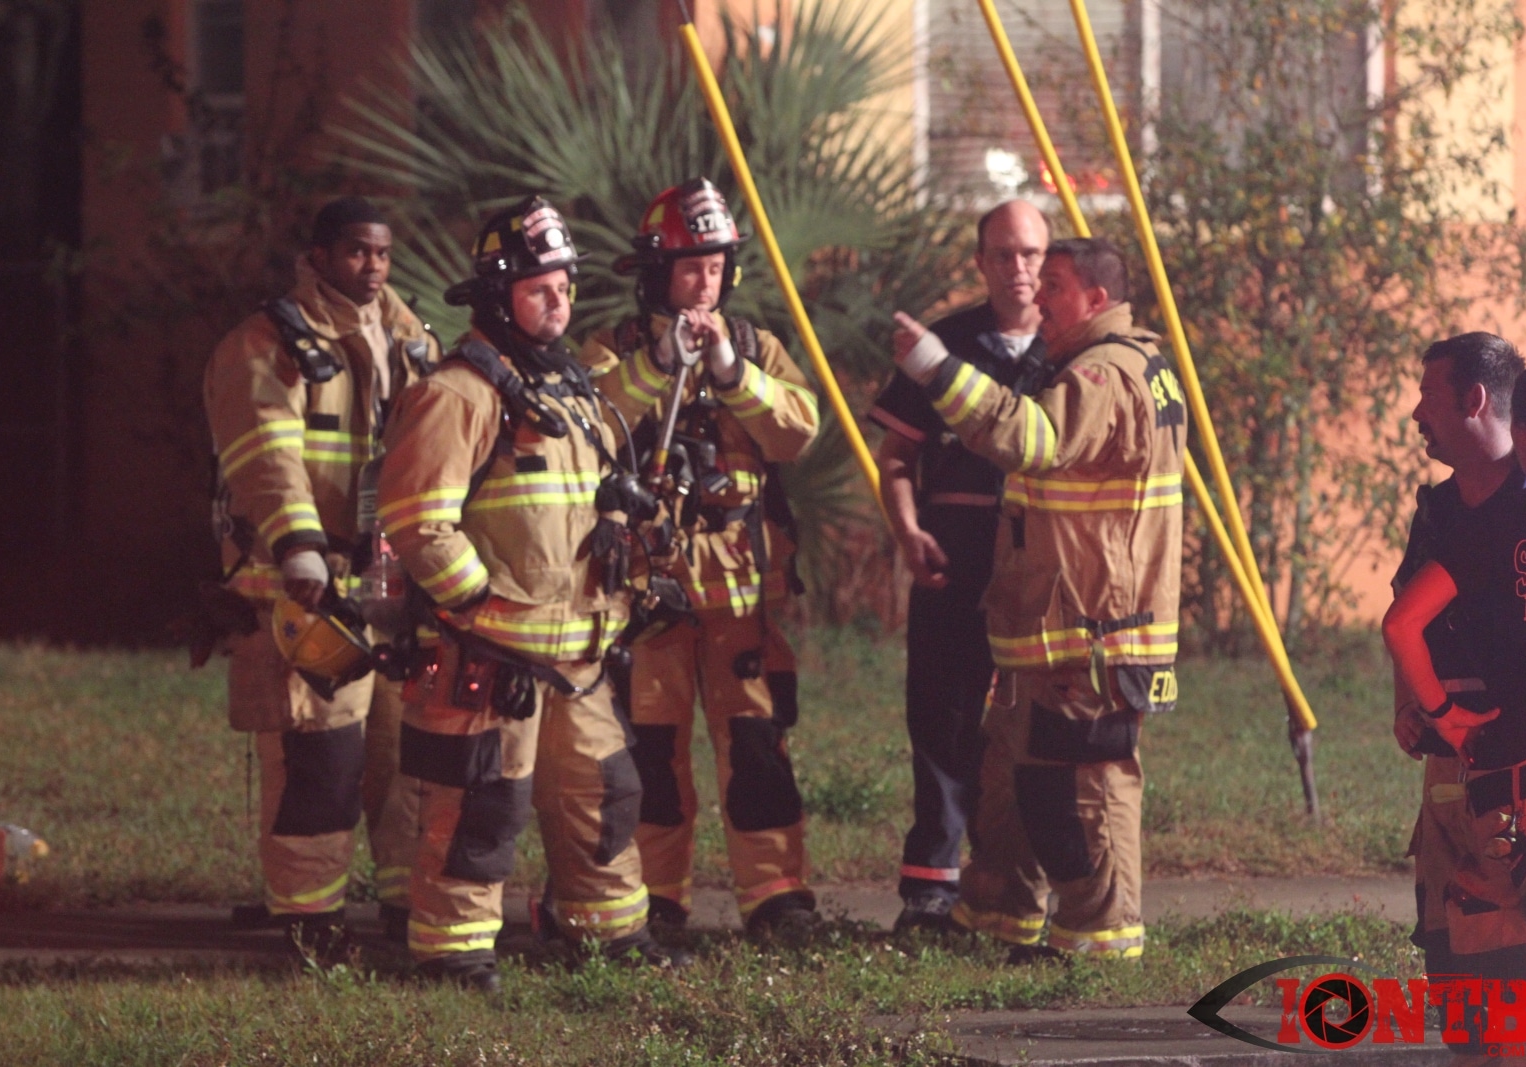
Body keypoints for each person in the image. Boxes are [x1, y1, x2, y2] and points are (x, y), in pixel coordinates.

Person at [376, 196, 686, 989]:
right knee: (478, 806)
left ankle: (609, 934)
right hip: (489, 661)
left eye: (566, 287)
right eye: (541, 288)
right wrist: (476, 610)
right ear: (497, 294)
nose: (560, 302)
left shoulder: (570, 390)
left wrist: (629, 527)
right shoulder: (458, 393)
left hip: (579, 655)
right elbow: (417, 522)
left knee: (603, 797)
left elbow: (599, 474)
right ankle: (452, 952)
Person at [890, 237, 1185, 962]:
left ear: (1097, 298)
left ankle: (1102, 937)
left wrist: (937, 369)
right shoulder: (1112, 364)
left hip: (1092, 631)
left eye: (1054, 284)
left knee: (1081, 788)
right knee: (1013, 775)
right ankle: (998, 914)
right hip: (1058, 624)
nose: (1039, 297)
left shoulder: (1103, 373)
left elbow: (1032, 438)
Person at [580, 177, 821, 940]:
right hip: (650, 595)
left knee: (757, 746)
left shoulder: (755, 348)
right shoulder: (616, 349)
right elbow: (592, 428)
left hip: (742, 599)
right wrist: (659, 363)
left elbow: (798, 430)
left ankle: (777, 894)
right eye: (691, 268)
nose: (705, 284)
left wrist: (730, 373)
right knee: (651, 752)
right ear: (658, 272)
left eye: (716, 267)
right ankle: (657, 896)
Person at [203, 197, 436, 958]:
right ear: (320, 256)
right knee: (318, 757)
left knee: (404, 755)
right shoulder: (268, 342)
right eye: (357, 252)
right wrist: (298, 544)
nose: (372, 267)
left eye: (382, 254)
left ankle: (405, 902)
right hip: (309, 582)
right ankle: (309, 918)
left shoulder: (412, 338)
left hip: (393, 580)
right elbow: (264, 453)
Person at [868, 200, 1052, 932]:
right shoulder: (944, 344)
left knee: (1030, 727)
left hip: (1036, 568)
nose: (1019, 268)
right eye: (1003, 254)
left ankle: (1012, 881)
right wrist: (908, 530)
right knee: (942, 718)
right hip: (952, 559)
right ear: (981, 262)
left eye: (1031, 254)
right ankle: (930, 889)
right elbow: (895, 458)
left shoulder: (1072, 350)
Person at [1384, 339, 1526, 1027]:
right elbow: (1405, 616)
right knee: (1455, 953)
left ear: (1476, 400)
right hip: (1456, 765)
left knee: (1518, 953)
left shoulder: (1521, 508)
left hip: (1518, 769)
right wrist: (1418, 706)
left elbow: (1403, 622)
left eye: (1429, 394)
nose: (1417, 412)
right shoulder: (1441, 511)